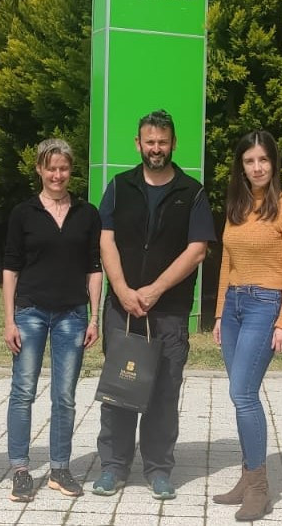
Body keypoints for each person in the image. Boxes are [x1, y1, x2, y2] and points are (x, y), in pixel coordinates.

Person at [92, 109, 215, 500]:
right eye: (150, 141)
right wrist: (124, 289)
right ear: (138, 144)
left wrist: (155, 289)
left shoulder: (192, 192)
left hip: (170, 311)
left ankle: (159, 468)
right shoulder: (118, 186)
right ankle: (113, 466)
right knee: (119, 390)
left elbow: (197, 250)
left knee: (164, 393)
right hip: (122, 308)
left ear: (173, 143)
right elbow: (105, 240)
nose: (156, 148)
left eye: (163, 141)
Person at [211, 130, 282, 521]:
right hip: (233, 306)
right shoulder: (237, 206)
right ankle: (248, 477)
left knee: (243, 393)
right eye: (249, 161)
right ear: (241, 166)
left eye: (263, 160)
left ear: (274, 163)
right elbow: (226, 263)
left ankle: (259, 489)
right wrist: (218, 313)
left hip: (266, 307)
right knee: (240, 396)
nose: (257, 167)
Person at [3, 138, 103, 503]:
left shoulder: (87, 214)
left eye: (63, 168)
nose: (57, 174)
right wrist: (8, 320)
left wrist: (95, 318)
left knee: (65, 395)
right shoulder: (23, 213)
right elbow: (10, 268)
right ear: (39, 169)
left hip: (72, 314)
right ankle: (20, 469)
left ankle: (60, 467)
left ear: (70, 170)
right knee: (23, 391)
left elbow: (95, 268)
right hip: (29, 311)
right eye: (50, 167)